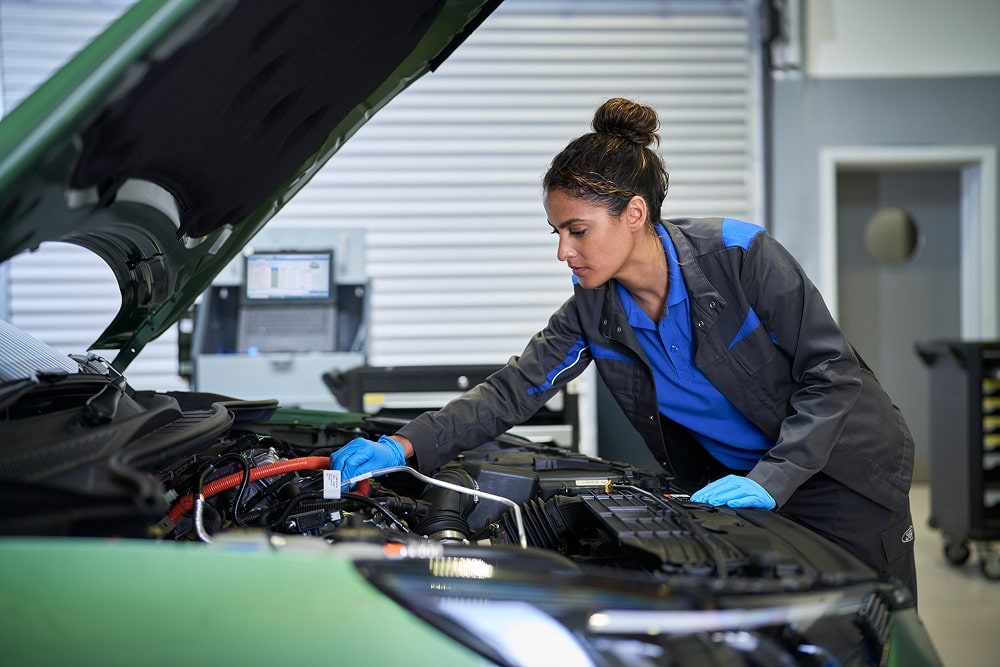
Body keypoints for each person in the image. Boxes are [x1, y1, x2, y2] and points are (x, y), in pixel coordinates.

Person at [331, 97, 917, 600]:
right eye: (556, 232)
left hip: (843, 474)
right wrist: (409, 442)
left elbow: (832, 373)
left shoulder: (741, 257)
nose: (563, 251)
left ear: (634, 213)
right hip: (737, 487)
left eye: (577, 230)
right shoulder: (594, 309)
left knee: (873, 622)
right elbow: (514, 390)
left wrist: (776, 475)